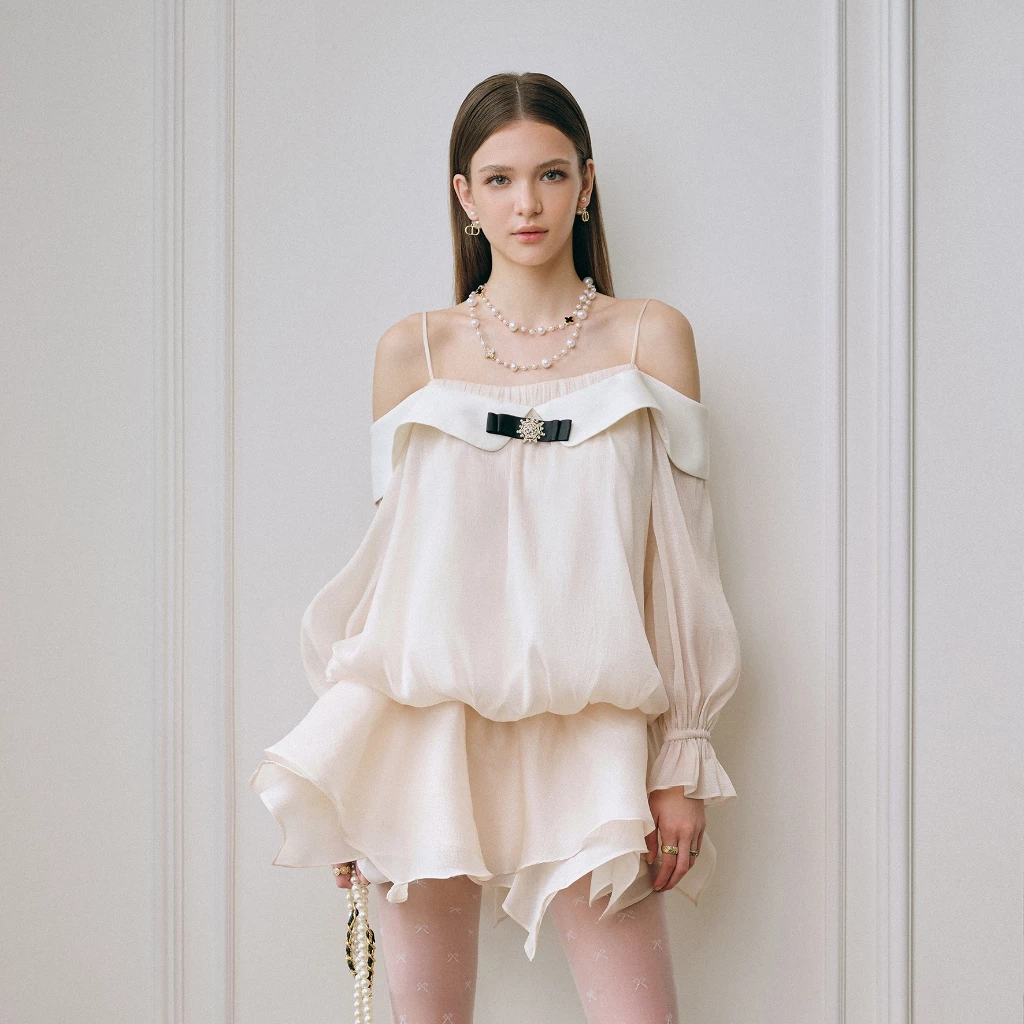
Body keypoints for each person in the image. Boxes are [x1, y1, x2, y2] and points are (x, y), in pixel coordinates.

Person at [249, 71, 742, 1024]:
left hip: (595, 733)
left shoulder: (652, 338)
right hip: (423, 735)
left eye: (551, 174)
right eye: (500, 179)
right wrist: (352, 772)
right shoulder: (412, 352)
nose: (528, 204)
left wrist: (682, 755)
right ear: (464, 196)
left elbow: (681, 564)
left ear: (586, 184)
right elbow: (393, 565)